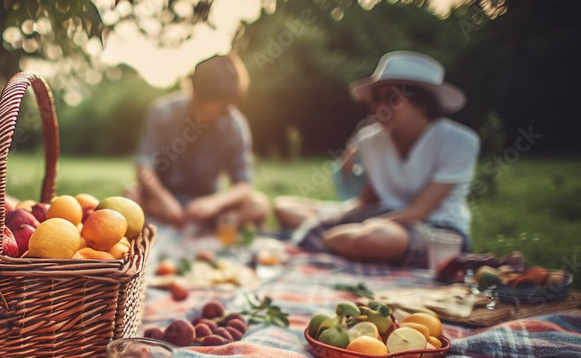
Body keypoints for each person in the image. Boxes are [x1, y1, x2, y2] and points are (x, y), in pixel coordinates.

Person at [293, 51, 480, 267]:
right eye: (376, 98)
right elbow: (369, 199)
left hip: (436, 229)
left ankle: (331, 242)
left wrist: (358, 227)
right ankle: (341, 242)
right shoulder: (370, 139)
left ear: (422, 102)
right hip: (382, 218)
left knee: (375, 238)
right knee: (308, 218)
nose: (379, 107)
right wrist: (337, 216)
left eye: (392, 98)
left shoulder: (459, 141)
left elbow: (419, 212)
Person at [128, 53, 269, 232]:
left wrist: (214, 204)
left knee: (258, 205)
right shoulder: (163, 112)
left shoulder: (235, 125)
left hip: (208, 208)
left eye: (218, 108)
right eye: (202, 106)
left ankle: (208, 233)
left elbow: (244, 184)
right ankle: (177, 228)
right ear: (193, 91)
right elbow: (144, 165)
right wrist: (163, 199)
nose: (206, 114)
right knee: (130, 197)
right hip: (163, 204)